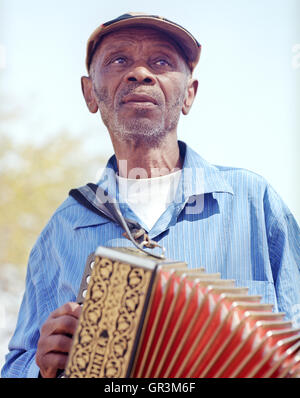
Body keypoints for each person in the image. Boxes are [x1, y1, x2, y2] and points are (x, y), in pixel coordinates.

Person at [2, 12, 300, 379]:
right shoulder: (63, 230)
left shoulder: (255, 203)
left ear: (189, 94)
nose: (140, 73)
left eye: (161, 62)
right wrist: (40, 366)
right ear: (89, 93)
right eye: (119, 60)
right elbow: (15, 366)